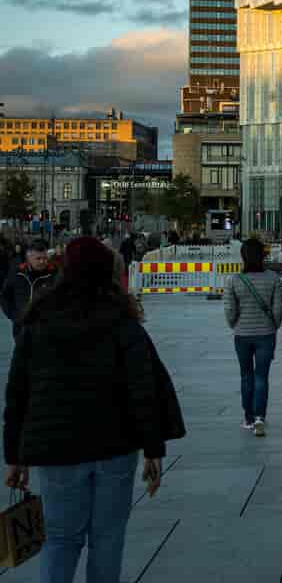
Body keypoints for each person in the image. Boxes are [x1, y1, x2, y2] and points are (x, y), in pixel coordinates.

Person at [4, 236, 181, 583]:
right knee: (108, 539)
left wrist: (15, 455)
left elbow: (17, 393)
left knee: (61, 540)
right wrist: (153, 449)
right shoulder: (121, 320)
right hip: (114, 446)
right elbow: (143, 388)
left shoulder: (38, 319)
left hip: (57, 450)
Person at [223, 238, 282, 437]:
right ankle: (260, 417)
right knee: (261, 376)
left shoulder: (233, 280)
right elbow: (279, 307)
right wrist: (274, 324)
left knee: (246, 375)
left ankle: (248, 418)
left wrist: (235, 324)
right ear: (263, 255)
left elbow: (229, 309)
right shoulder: (273, 278)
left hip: (242, 335)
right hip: (266, 334)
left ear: (243, 256)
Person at [1, 240, 59, 338]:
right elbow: (5, 297)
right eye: (38, 258)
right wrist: (14, 316)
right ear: (29, 258)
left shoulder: (54, 274)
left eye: (45, 258)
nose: (42, 261)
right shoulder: (17, 273)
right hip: (22, 329)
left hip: (48, 329)